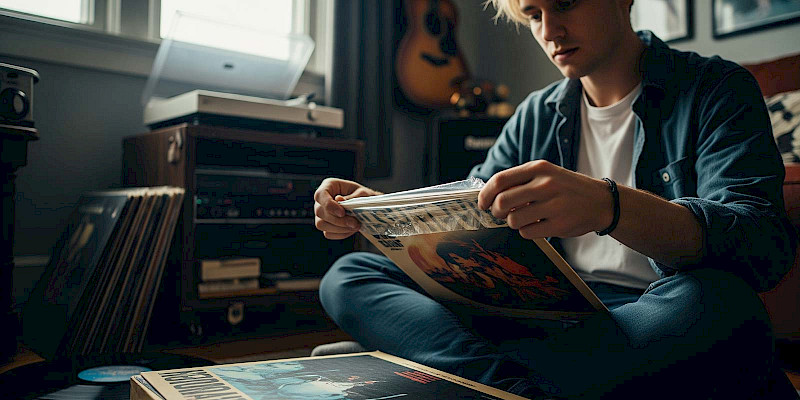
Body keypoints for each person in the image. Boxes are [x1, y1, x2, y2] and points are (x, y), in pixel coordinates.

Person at [312, 0, 798, 398]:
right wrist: (381, 211)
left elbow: (759, 244)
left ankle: (444, 366)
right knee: (349, 274)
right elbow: (471, 206)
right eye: (533, 15)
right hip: (541, 310)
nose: (550, 30)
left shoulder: (717, 89)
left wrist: (609, 207)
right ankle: (509, 386)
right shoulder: (535, 115)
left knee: (724, 307)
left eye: (564, 4)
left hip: (650, 314)